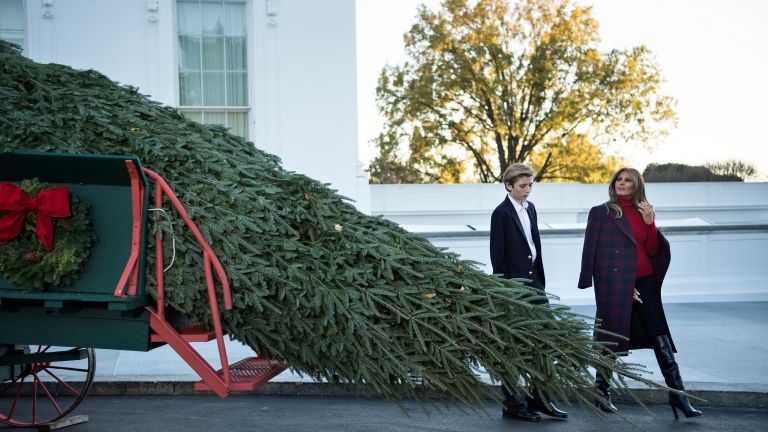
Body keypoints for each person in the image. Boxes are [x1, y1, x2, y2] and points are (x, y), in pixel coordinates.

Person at [578, 167, 702, 419]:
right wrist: (619, 283)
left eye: (628, 180)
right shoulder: (601, 212)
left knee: (660, 335)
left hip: (645, 283)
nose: (622, 183)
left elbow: (653, 249)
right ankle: (601, 393)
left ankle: (678, 396)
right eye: (619, 180)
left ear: (637, 186)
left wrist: (650, 222)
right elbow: (593, 253)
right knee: (609, 339)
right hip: (615, 284)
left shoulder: (643, 212)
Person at [490, 163, 568, 422]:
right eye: (523, 186)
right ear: (509, 186)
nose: (527, 190)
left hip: (535, 285)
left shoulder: (531, 209)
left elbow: (533, 244)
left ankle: (540, 398)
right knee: (513, 345)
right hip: (513, 287)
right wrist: (505, 291)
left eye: (530, 185)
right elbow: (497, 258)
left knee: (545, 340)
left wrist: (540, 281)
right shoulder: (500, 214)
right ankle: (512, 403)